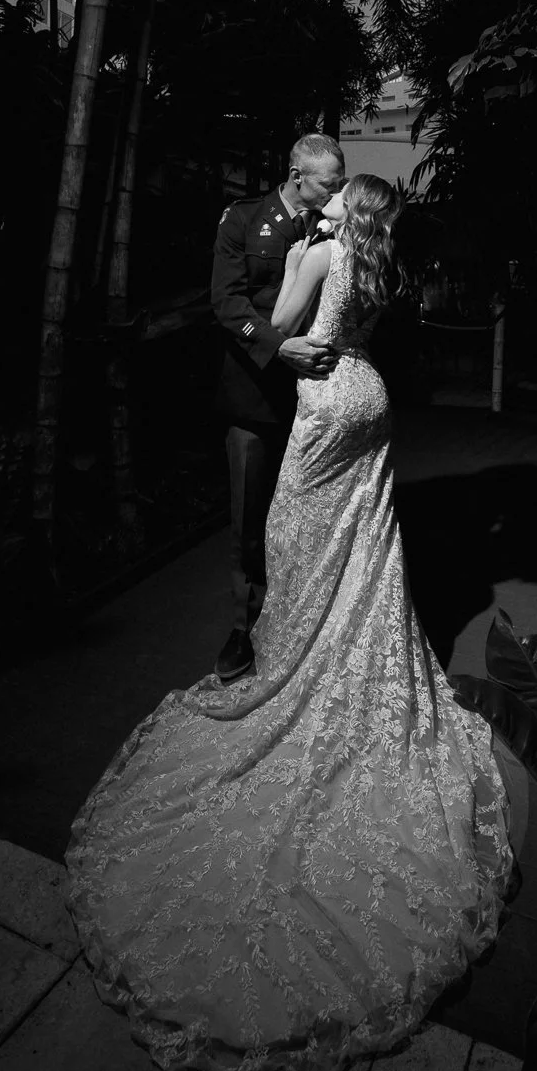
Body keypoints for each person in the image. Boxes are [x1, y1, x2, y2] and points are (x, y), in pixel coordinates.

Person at [66, 173, 512, 1071]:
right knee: (365, 552)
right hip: (373, 404)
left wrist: (285, 330)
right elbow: (346, 329)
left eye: (338, 190)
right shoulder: (383, 266)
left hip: (322, 410)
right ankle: (345, 653)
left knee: (294, 540)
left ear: (346, 207)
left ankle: (292, 662)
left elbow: (282, 329)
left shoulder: (317, 250)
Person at [209, 134, 346, 683]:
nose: (336, 191)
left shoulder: (334, 226)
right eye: (328, 182)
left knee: (311, 511)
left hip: (316, 394)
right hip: (255, 391)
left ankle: (309, 618)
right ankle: (243, 628)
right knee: (249, 513)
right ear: (296, 176)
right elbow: (227, 301)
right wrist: (277, 345)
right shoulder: (243, 220)